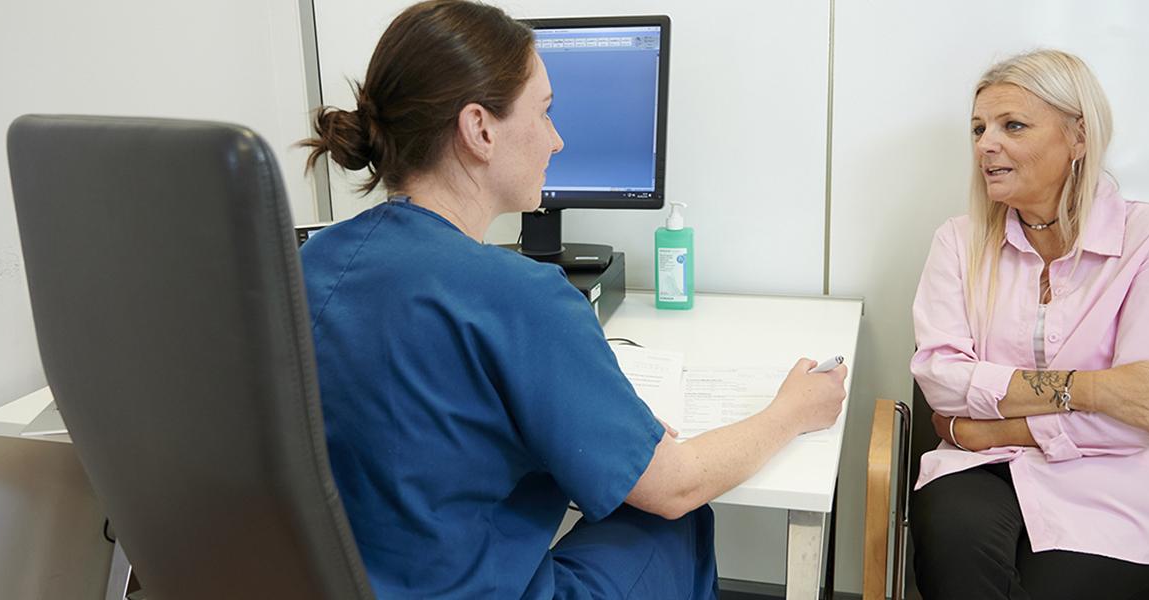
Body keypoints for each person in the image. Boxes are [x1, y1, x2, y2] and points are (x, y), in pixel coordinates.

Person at [294, 1, 848, 598]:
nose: (557, 141)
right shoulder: (521, 296)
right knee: (675, 521)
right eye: (546, 112)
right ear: (480, 129)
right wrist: (792, 411)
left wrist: (594, 431)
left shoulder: (309, 263)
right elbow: (674, 485)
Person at [908, 49, 1149, 600]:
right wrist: (1091, 389)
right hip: (982, 470)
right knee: (954, 550)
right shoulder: (958, 240)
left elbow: (1144, 416)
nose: (984, 145)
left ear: (1078, 137)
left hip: (1116, 488)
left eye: (1012, 125)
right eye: (978, 128)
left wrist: (988, 428)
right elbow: (940, 377)